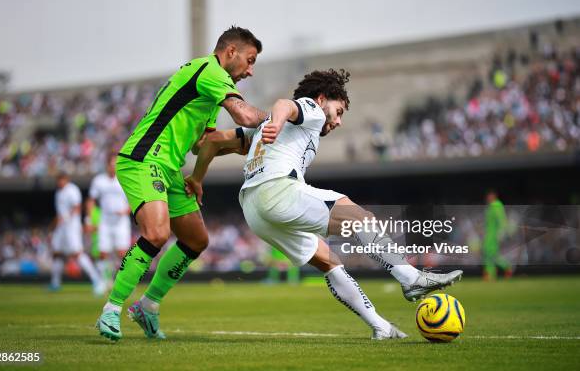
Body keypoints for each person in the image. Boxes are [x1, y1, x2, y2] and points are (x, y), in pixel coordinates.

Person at [186, 69, 463, 339]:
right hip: (277, 190)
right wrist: (277, 121)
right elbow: (284, 105)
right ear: (321, 100)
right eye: (339, 111)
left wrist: (197, 176)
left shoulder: (271, 129)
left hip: (254, 210)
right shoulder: (311, 109)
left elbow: (212, 143)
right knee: (359, 216)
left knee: (328, 261)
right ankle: (410, 277)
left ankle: (381, 327)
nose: (339, 121)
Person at [96, 26, 268, 341]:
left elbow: (204, 144)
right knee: (157, 233)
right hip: (143, 159)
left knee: (196, 240)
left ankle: (147, 306)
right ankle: (111, 308)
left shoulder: (212, 86)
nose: (251, 71)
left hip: (170, 168)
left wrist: (202, 174)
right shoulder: (210, 71)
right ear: (230, 52)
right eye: (250, 60)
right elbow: (244, 115)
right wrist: (279, 123)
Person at [50, 173, 104, 294]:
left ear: (66, 179)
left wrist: (67, 218)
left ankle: (97, 280)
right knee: (56, 253)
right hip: (61, 227)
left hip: (71, 226)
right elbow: (60, 213)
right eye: (58, 180)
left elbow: (77, 207)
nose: (60, 182)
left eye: (62, 179)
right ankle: (55, 283)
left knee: (77, 253)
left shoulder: (72, 190)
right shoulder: (59, 192)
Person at [85, 154, 131, 288]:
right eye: (112, 164)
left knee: (123, 253)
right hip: (105, 220)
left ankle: (124, 283)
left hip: (121, 221)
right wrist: (88, 220)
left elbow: (133, 200)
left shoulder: (124, 179)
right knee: (103, 253)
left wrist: (126, 211)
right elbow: (91, 201)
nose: (114, 167)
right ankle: (105, 281)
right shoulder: (99, 181)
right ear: (107, 165)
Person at [483, 189, 512, 280]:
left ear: (494, 196)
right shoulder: (491, 206)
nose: (488, 198)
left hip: (494, 235)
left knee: (491, 255)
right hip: (489, 234)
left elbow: (502, 219)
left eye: (489, 196)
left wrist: (502, 232)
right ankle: (491, 274)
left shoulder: (496, 205)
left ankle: (504, 268)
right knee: (490, 254)